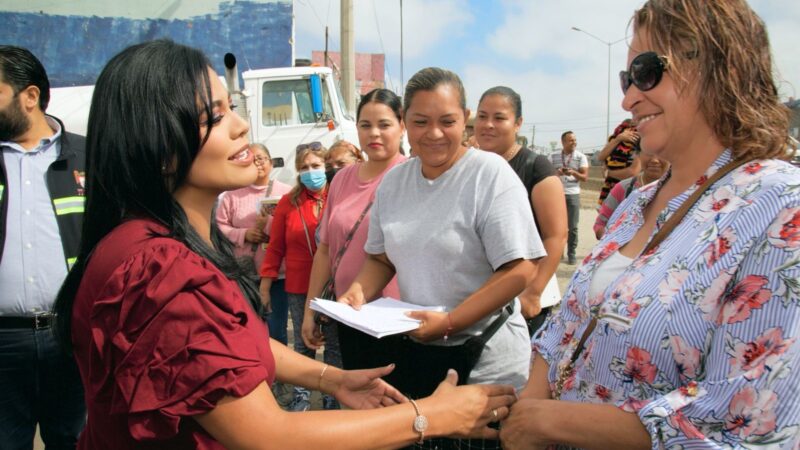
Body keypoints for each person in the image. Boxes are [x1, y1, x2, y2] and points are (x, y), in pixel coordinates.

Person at [53, 39, 516, 450]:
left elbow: (223, 346)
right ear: (156, 145)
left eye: (231, 106)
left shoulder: (163, 244)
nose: (239, 125)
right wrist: (430, 417)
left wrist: (332, 379)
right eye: (213, 117)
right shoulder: (158, 269)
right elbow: (268, 434)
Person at [500, 1, 800, 449]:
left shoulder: (781, 206)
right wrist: (528, 415)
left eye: (644, 72)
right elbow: (565, 326)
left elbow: (751, 421)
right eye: (627, 80)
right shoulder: (636, 203)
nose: (627, 98)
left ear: (718, 64)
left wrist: (549, 422)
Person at [339, 68, 545, 450]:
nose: (433, 134)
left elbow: (520, 268)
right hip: (421, 352)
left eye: (447, 121)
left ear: (464, 118)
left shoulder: (489, 174)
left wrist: (451, 321)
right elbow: (381, 259)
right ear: (405, 124)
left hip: (486, 362)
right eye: (420, 122)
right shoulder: (395, 183)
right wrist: (357, 292)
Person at [0, 45, 86, 449]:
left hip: (72, 337)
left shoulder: (89, 155)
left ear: (30, 96)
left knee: (75, 440)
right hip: (3, 342)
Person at [301, 89, 406, 372]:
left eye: (384, 125)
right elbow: (325, 250)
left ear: (402, 126)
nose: (374, 133)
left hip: (396, 321)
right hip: (349, 315)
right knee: (357, 400)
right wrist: (311, 309)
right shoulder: (341, 179)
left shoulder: (412, 177)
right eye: (365, 125)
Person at [474, 86, 567, 335]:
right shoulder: (470, 165)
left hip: (521, 303)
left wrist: (533, 292)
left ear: (518, 123)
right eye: (482, 116)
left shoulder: (536, 168)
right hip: (478, 300)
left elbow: (555, 235)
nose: (488, 125)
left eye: (499, 118)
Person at [259, 142, 342, 411]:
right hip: (298, 286)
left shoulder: (337, 196)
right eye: (304, 168)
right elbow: (275, 248)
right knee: (304, 344)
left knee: (333, 345)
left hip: (335, 284)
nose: (310, 172)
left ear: (326, 167)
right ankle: (302, 397)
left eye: (316, 166)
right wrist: (265, 284)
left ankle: (332, 396)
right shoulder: (288, 202)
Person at [215, 143, 292, 346]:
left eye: (262, 158)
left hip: (277, 274)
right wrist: (244, 234)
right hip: (244, 273)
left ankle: (279, 374)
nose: (258, 163)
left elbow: (294, 228)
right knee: (248, 326)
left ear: (271, 161)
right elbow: (219, 227)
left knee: (276, 328)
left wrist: (268, 226)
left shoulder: (287, 193)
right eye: (253, 159)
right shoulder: (231, 195)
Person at [593, 150, 669, 239]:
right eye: (648, 153)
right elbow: (600, 224)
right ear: (639, 155)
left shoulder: (683, 193)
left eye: (662, 153)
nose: (655, 160)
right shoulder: (623, 188)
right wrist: (612, 242)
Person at [550, 131, 589, 265]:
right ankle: (557, 252)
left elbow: (585, 177)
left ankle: (571, 253)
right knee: (556, 225)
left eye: (575, 140)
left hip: (573, 193)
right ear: (563, 142)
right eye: (571, 140)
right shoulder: (553, 156)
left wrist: (574, 172)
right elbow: (546, 176)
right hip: (556, 193)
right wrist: (557, 173)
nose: (574, 143)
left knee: (572, 226)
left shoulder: (581, 157)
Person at [595, 119, 642, 206]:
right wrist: (618, 139)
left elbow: (632, 173)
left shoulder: (641, 143)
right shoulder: (617, 141)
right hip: (610, 191)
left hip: (629, 192)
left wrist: (609, 173)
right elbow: (601, 157)